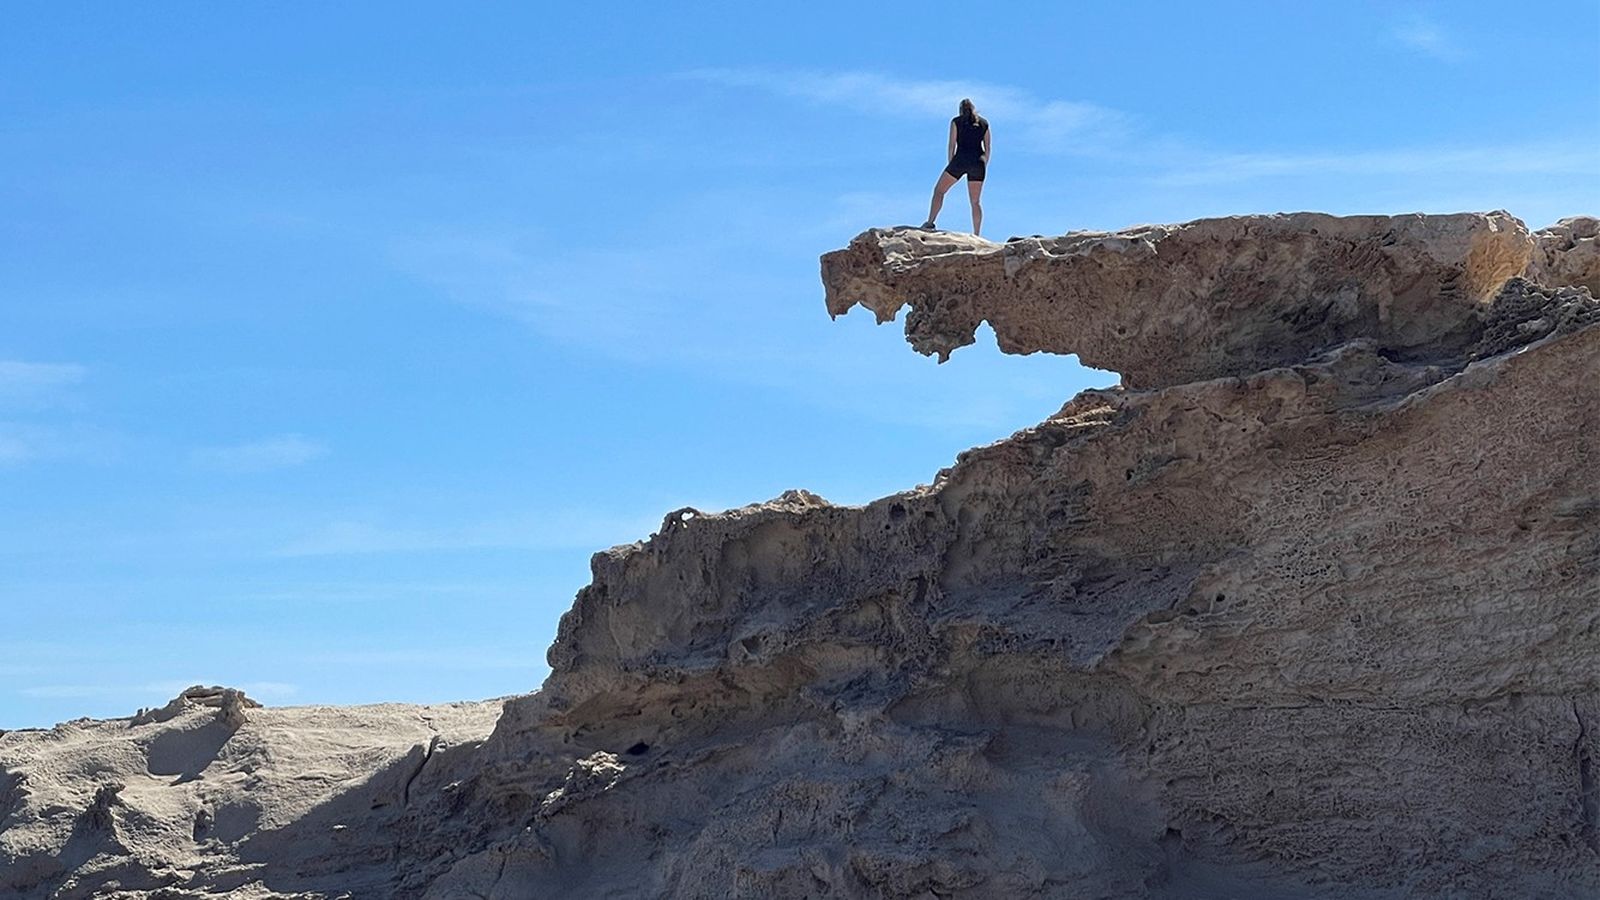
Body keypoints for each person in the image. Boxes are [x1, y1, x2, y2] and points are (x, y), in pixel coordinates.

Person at [922, 98, 990, 235]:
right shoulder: (984, 123)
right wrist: (984, 163)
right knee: (975, 201)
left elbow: (951, 145)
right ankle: (977, 234)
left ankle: (930, 222)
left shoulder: (956, 122)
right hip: (978, 162)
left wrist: (951, 164)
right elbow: (988, 147)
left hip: (960, 159)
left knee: (939, 190)